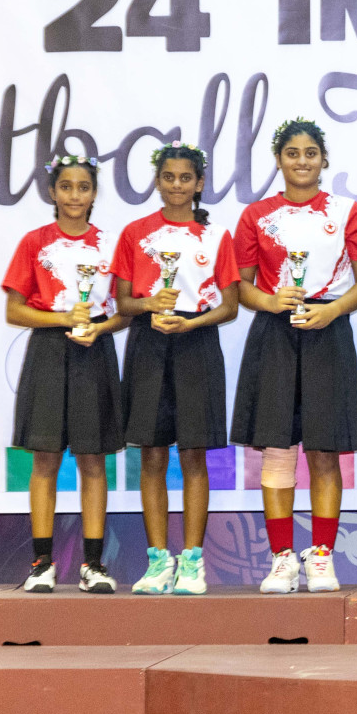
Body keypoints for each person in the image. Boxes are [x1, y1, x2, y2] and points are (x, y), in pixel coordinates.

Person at [231, 118, 357, 594]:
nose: (301, 161)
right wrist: (272, 302)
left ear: (323, 159)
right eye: (292, 152)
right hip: (274, 333)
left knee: (324, 451)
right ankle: (281, 559)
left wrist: (330, 312)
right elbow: (242, 287)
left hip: (327, 334)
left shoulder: (349, 212)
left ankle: (321, 558)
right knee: (277, 450)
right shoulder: (256, 216)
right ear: (278, 160)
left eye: (310, 152)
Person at [111, 142, 240, 596]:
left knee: (193, 455)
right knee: (151, 453)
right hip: (148, 344)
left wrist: (192, 323)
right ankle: (157, 561)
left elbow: (229, 307)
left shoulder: (216, 237)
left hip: (197, 346)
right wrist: (149, 305)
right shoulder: (134, 233)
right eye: (169, 177)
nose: (177, 186)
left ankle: (192, 562)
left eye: (186, 178)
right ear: (158, 181)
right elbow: (123, 302)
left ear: (199, 184)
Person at [2, 155, 128, 594]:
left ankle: (94, 565)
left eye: (84, 187)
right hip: (49, 355)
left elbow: (125, 311)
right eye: (67, 186)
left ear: (94, 193)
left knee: (94, 461)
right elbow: (14, 310)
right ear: (53, 192)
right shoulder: (34, 242)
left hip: (95, 353)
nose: (75, 195)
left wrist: (99, 326)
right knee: (45, 461)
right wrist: (60, 317)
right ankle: (41, 563)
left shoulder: (112, 245)